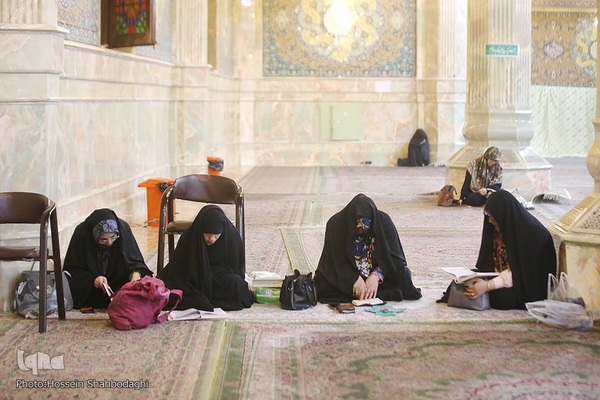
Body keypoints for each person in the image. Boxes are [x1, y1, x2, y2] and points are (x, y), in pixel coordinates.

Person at [314, 193, 423, 304]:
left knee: (404, 278)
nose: (360, 231)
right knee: (321, 284)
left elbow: (395, 259)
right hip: (347, 274)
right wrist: (353, 278)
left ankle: (367, 292)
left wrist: (376, 275)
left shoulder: (383, 222)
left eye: (364, 228)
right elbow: (334, 260)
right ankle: (377, 293)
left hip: (379, 275)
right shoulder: (336, 224)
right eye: (357, 228)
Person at [461, 190, 557, 309]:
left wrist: (488, 285)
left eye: (492, 215)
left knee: (503, 299)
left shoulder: (532, 235)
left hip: (526, 284)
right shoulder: (499, 228)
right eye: (487, 214)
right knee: (463, 283)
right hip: (501, 276)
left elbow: (521, 271)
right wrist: (480, 277)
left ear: (503, 213)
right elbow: (490, 263)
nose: (490, 220)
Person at [157, 205, 254, 311]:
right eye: (207, 234)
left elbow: (236, 270)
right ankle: (204, 299)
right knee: (166, 287)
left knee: (235, 283)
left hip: (219, 281)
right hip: (194, 280)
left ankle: (203, 300)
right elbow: (177, 270)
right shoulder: (189, 238)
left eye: (216, 235)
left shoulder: (232, 238)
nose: (211, 239)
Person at [64, 208, 153, 309]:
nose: (109, 243)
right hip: (92, 292)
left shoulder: (123, 231)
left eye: (113, 237)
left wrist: (135, 277)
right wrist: (93, 279)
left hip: (120, 287)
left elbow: (135, 262)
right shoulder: (82, 235)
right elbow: (72, 271)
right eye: (103, 240)